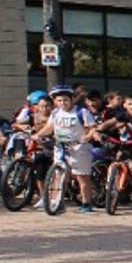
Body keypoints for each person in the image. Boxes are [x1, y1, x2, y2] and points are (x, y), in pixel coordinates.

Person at [33, 85, 98, 213]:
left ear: (72, 100)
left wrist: (88, 137)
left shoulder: (81, 112)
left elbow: (92, 127)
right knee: (59, 175)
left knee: (82, 177)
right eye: (59, 100)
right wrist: (38, 135)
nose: (62, 103)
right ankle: (57, 201)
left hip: (78, 147)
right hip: (60, 146)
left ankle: (86, 203)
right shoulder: (55, 113)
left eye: (65, 100)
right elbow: (49, 127)